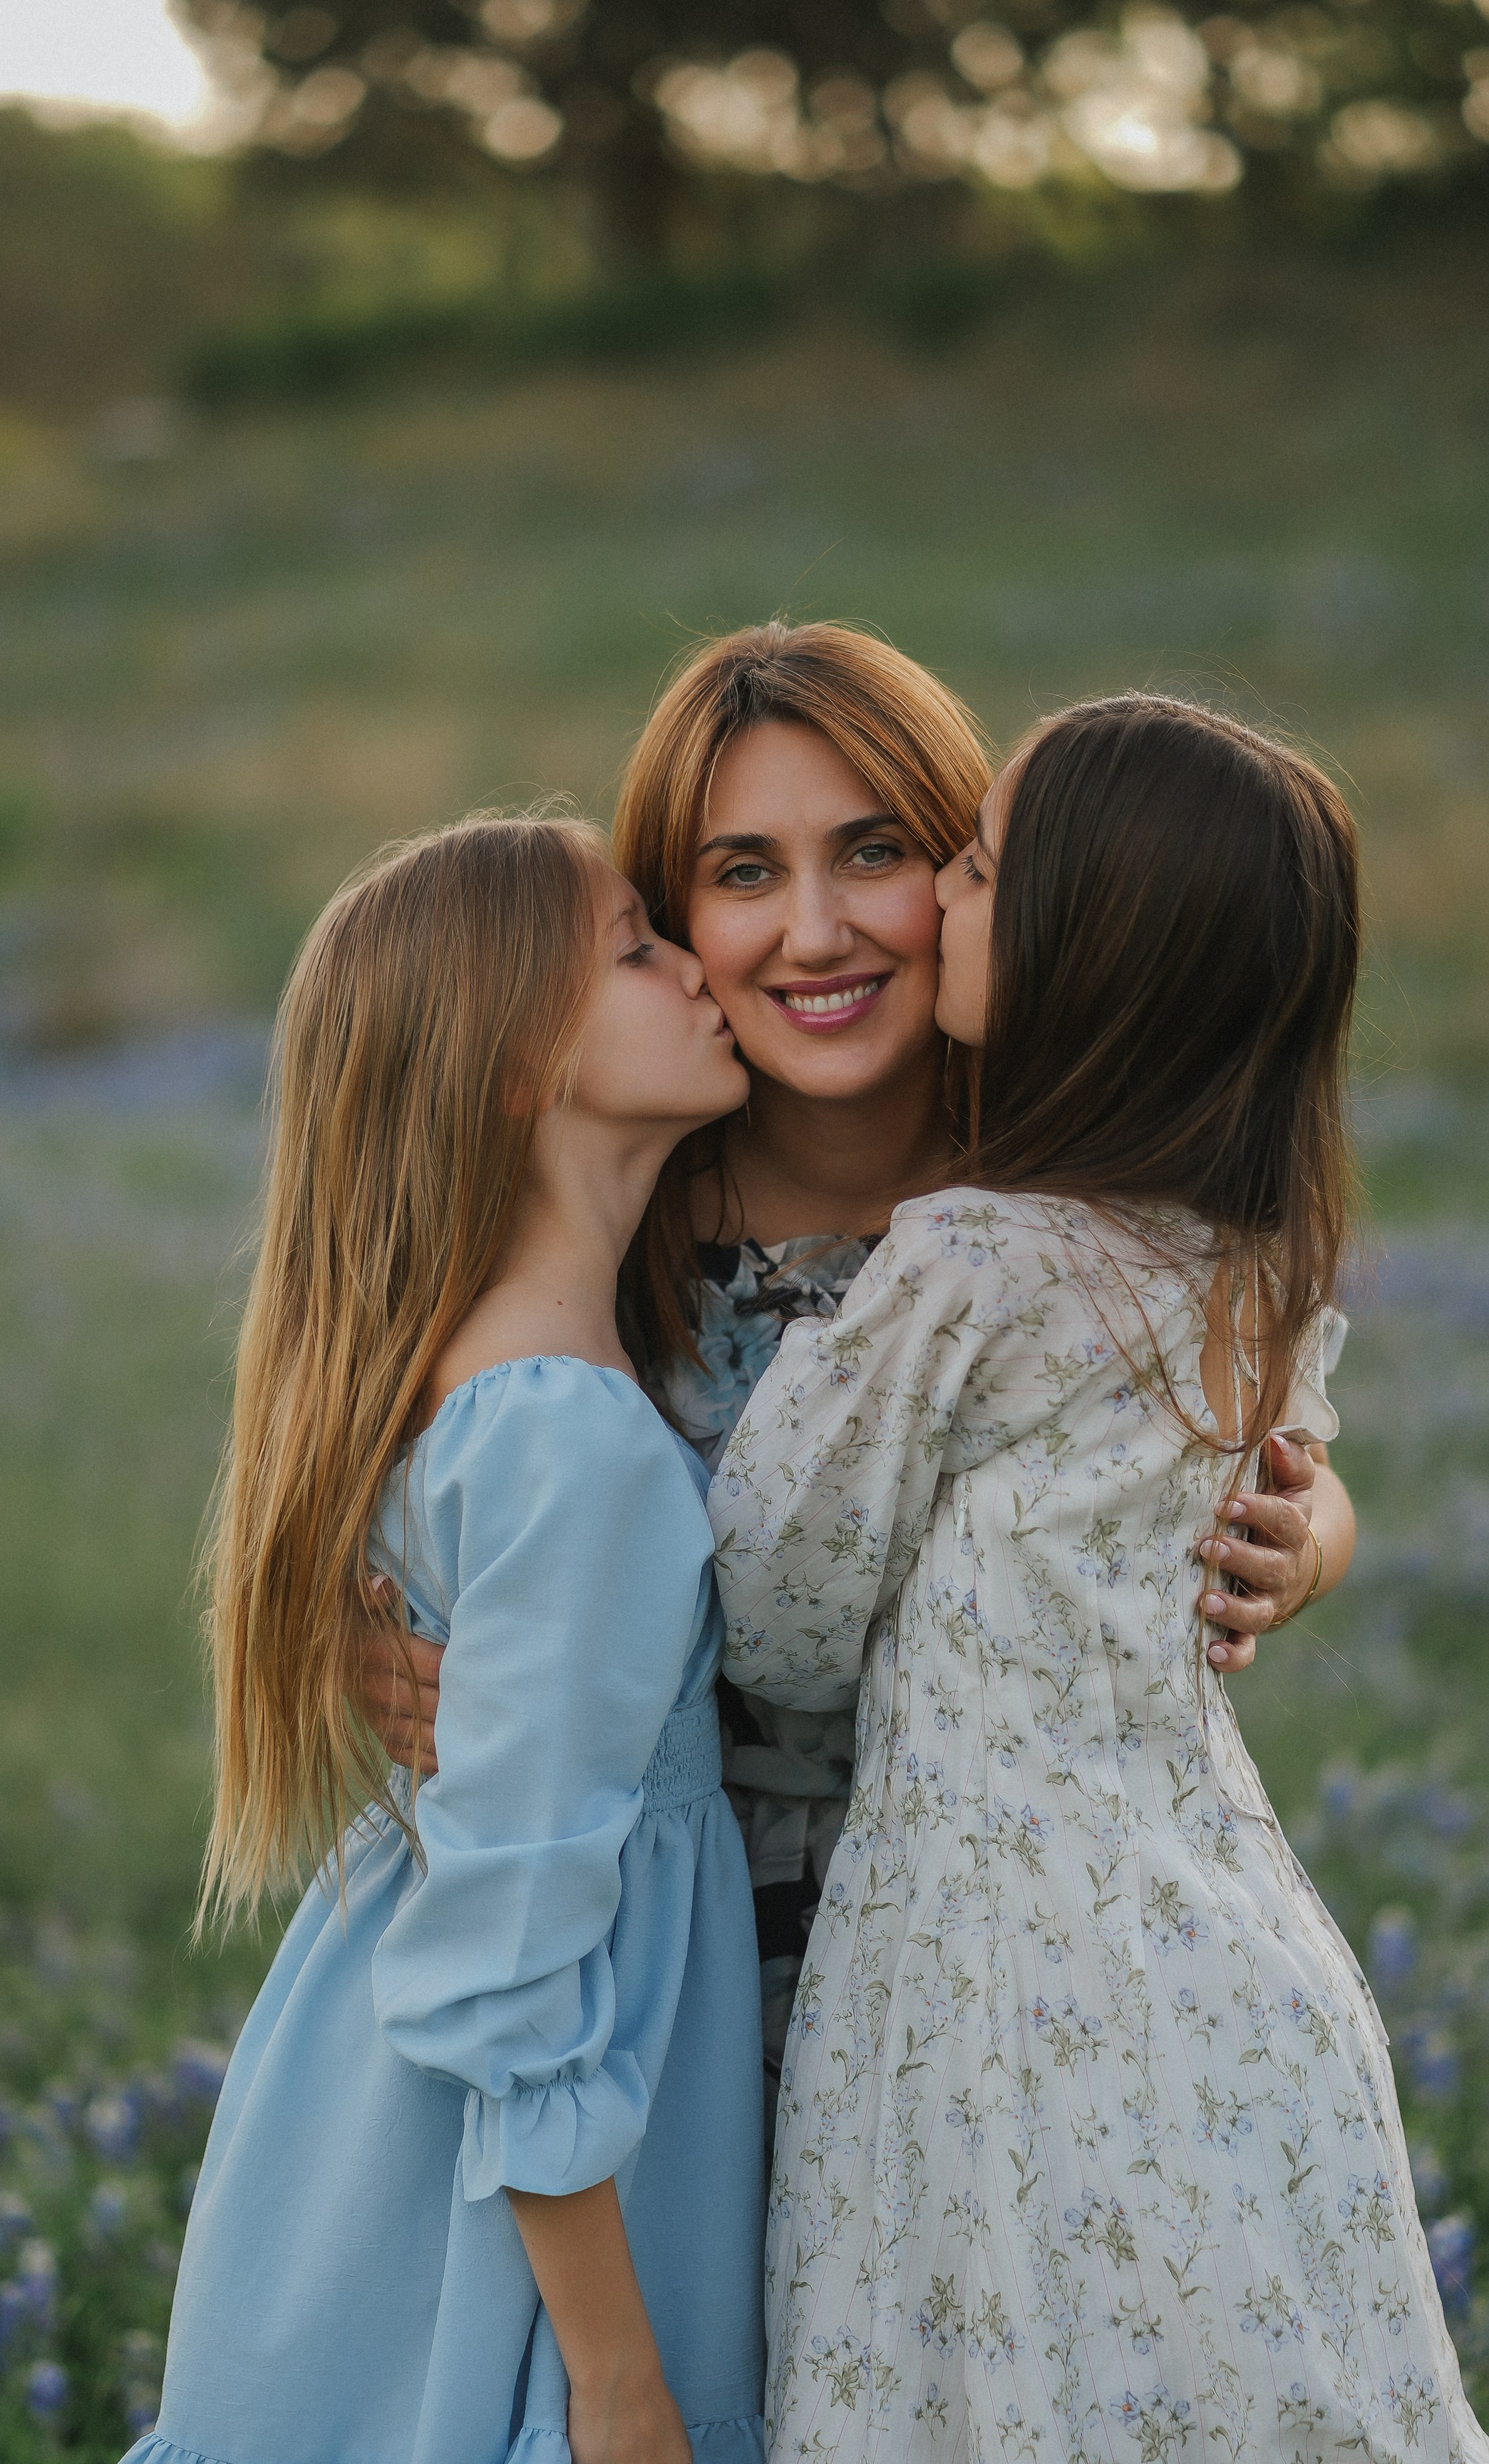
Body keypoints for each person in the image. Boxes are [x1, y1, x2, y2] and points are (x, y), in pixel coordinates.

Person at [366, 626, 1354, 2111]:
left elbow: (1276, 1431)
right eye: (743, 872)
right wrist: (358, 1643)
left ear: (977, 878)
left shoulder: (1082, 1198)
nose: (814, 932)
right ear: (668, 913)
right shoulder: (606, 1214)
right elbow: (390, 1467)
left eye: (875, 851)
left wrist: (1306, 1541)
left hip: (1007, 1988)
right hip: (652, 1964)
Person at [709, 696, 1482, 2460]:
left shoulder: (970, 1257)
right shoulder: (1243, 1264)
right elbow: (1269, 1482)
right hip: (1225, 1967)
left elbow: (781, 1614)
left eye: (971, 870)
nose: (939, 907)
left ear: (1086, 957)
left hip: (983, 1990)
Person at [127, 816, 766, 2464]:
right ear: (506, 1068)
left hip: (381, 2118)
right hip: (528, 2207)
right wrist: (617, 2382)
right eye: (639, 947)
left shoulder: (489, 1384)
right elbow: (511, 1958)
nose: (698, 962)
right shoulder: (575, 1438)